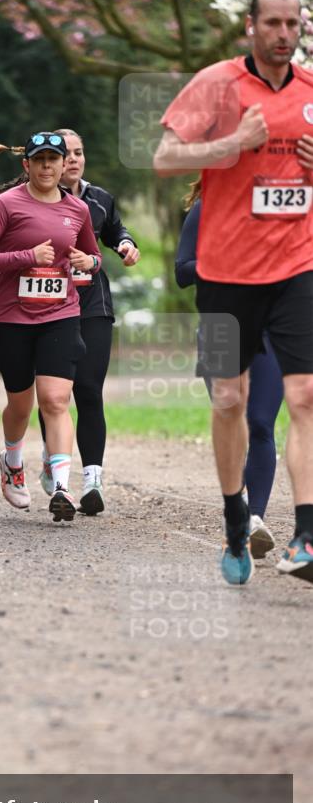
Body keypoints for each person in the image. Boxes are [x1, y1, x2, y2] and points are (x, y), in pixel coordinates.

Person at [154, 0, 313, 585]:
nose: (283, 34)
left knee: (305, 397)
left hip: (298, 267)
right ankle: (233, 521)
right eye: (272, 22)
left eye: (293, 24)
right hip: (224, 276)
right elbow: (167, 157)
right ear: (250, 25)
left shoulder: (310, 91)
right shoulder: (216, 84)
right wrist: (232, 146)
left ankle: (305, 536)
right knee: (229, 402)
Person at [0, 131, 101, 523]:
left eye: (53, 160)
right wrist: (26, 255)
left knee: (57, 400)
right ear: (26, 165)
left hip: (60, 313)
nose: (46, 166)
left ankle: (61, 485)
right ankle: (11, 461)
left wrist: (87, 263)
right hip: (10, 318)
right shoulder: (6, 204)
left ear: (64, 166)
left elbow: (94, 257)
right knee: (21, 403)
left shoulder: (78, 209)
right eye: (39, 160)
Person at [175, 178, 284, 559]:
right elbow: (182, 270)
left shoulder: (282, 210)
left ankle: (253, 520)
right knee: (230, 412)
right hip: (221, 326)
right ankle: (236, 510)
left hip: (272, 330)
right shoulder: (208, 208)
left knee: (260, 423)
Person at [37, 128, 140, 515]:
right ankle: (53, 456)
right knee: (54, 395)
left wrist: (126, 245)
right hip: (46, 305)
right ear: (55, 161)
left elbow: (116, 230)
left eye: (80, 152)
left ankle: (92, 477)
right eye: (69, 154)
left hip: (93, 304)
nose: (75, 159)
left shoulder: (99, 200)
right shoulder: (33, 199)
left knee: (89, 389)